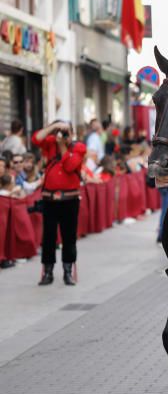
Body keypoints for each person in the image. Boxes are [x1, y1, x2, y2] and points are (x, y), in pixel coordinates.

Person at [32, 120, 86, 286]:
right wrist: (52, 128)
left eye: (65, 131)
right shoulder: (50, 143)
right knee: (48, 237)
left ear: (72, 133)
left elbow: (70, 166)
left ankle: (68, 272)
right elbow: (35, 139)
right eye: (60, 131)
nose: (62, 135)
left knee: (69, 236)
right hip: (49, 199)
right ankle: (47, 272)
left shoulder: (78, 148)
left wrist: (63, 146)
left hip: (69, 200)